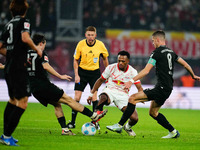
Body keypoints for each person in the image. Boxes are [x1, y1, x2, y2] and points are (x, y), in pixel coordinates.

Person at [106, 30, 200, 138]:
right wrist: (193, 75)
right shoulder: (171, 52)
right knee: (153, 113)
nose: (152, 43)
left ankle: (119, 125)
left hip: (161, 88)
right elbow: (186, 65)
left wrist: (131, 80)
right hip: (168, 88)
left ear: (157, 40)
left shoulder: (156, 52)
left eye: (153, 41)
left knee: (132, 98)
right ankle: (173, 132)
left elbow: (146, 71)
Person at [27, 33, 107, 136]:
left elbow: (18, 66)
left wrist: (3, 66)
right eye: (45, 43)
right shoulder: (41, 52)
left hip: (34, 88)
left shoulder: (26, 54)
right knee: (69, 100)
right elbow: (46, 66)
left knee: (57, 104)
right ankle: (93, 116)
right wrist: (60, 76)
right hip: (44, 85)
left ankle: (65, 129)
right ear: (42, 43)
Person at [0, 0, 42, 146]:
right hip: (18, 67)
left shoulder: (8, 24)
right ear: (25, 10)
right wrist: (37, 48)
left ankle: (5, 136)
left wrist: (12, 55)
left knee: (12, 100)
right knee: (23, 102)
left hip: (9, 66)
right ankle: (6, 136)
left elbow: (0, 47)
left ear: (12, 11)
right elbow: (25, 38)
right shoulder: (24, 21)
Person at [87, 51, 143, 136]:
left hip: (123, 95)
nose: (120, 63)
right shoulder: (111, 67)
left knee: (134, 118)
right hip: (110, 91)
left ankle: (127, 127)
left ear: (128, 61)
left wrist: (141, 96)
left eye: (123, 61)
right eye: (119, 60)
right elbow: (100, 80)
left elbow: (139, 87)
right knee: (103, 97)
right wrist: (91, 94)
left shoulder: (133, 71)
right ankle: (96, 115)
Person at [67, 26, 109, 129]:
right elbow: (75, 60)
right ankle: (72, 122)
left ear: (95, 35)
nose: (90, 37)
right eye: (88, 35)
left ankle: (95, 122)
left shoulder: (100, 45)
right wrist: (76, 75)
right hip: (82, 73)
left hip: (95, 74)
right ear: (86, 35)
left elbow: (105, 58)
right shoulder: (81, 44)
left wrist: (107, 72)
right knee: (77, 98)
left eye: (92, 35)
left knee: (94, 97)